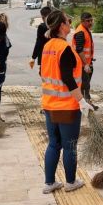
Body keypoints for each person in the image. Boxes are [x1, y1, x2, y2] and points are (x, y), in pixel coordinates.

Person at [40, 10, 95, 194]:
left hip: (49, 104)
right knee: (69, 145)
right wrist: (81, 101)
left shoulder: (47, 46)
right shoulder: (65, 49)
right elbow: (67, 78)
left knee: (53, 143)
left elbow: (44, 73)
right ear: (62, 26)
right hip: (66, 106)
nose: (70, 23)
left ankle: (49, 183)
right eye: (68, 21)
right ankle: (70, 182)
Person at [71, 12, 94, 103]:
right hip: (81, 64)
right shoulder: (81, 32)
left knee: (85, 85)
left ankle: (86, 103)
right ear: (82, 21)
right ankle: (85, 104)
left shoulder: (85, 30)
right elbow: (79, 50)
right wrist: (86, 64)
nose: (90, 22)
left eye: (91, 20)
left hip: (85, 64)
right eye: (88, 21)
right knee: (85, 85)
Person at [30, 6, 52, 72]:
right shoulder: (57, 26)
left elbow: (39, 43)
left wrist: (33, 57)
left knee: (45, 74)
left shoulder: (42, 27)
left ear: (42, 17)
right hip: (55, 55)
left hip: (45, 55)